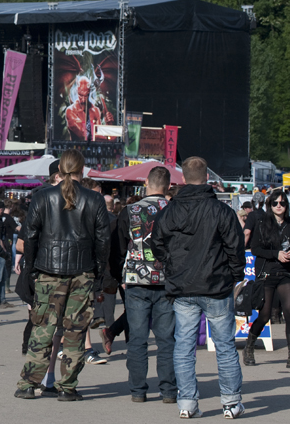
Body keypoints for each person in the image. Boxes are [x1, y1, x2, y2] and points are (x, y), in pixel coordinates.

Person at [152, 157, 244, 420]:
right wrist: (235, 276)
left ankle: (188, 403)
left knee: (184, 346)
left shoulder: (169, 210)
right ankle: (230, 401)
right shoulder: (221, 210)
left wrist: (170, 266)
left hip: (183, 287)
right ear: (206, 178)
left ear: (182, 178)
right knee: (225, 345)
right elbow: (235, 247)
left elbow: (156, 242)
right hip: (215, 285)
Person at [14, 150, 110, 401]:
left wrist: (32, 268)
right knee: (75, 331)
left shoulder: (42, 196)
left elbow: (30, 237)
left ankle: (28, 385)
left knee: (42, 329)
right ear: (82, 169)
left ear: (59, 170)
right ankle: (67, 387)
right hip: (82, 272)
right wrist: (98, 272)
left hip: (48, 271)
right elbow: (103, 241)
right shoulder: (95, 199)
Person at [117, 166, 176, 404]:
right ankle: (169, 391)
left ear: (146, 183)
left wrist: (121, 272)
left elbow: (120, 245)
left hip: (136, 280)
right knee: (166, 339)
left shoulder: (130, 210)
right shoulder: (174, 210)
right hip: (167, 281)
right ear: (168, 186)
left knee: (138, 339)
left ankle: (138, 390)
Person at [244, 189, 290, 369]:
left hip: (285, 273)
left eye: (282, 203)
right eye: (275, 203)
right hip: (266, 273)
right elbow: (255, 248)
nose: (279, 206)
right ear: (269, 205)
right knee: (264, 315)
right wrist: (275, 254)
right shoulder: (263, 222)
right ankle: (249, 346)